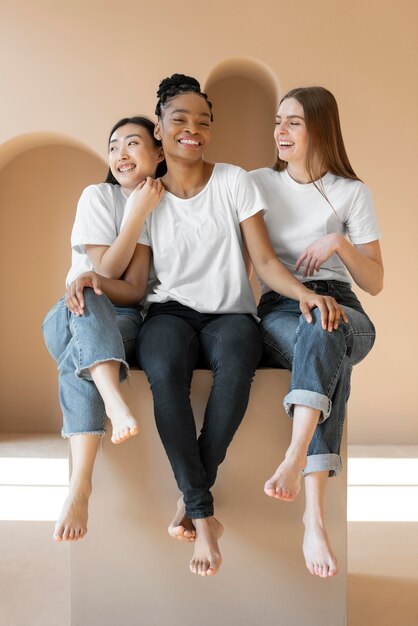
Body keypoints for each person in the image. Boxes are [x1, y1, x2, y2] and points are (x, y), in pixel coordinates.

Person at [113, 74, 346, 577]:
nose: (192, 129)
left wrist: (307, 292)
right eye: (180, 119)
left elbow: (263, 261)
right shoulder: (148, 197)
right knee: (164, 377)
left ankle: (194, 504)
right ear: (160, 127)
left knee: (238, 367)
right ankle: (202, 513)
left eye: (203, 121)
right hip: (169, 313)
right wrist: (93, 280)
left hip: (231, 314)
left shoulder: (235, 181)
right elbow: (134, 283)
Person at [250, 86, 383, 577]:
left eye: (293, 123)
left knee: (331, 325)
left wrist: (340, 244)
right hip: (283, 305)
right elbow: (258, 261)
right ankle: (313, 515)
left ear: (319, 128)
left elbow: (375, 282)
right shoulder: (257, 182)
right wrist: (306, 297)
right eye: (278, 121)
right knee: (322, 333)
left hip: (346, 306)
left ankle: (293, 456)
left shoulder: (352, 192)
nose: (279, 132)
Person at [42, 116, 165, 542]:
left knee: (80, 359)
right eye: (114, 147)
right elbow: (105, 270)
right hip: (72, 310)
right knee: (91, 292)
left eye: (133, 144)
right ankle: (114, 401)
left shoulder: (162, 203)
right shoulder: (97, 195)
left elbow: (131, 290)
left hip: (123, 324)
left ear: (159, 152)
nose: (120, 155)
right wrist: (136, 212)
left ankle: (80, 485)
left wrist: (143, 209)